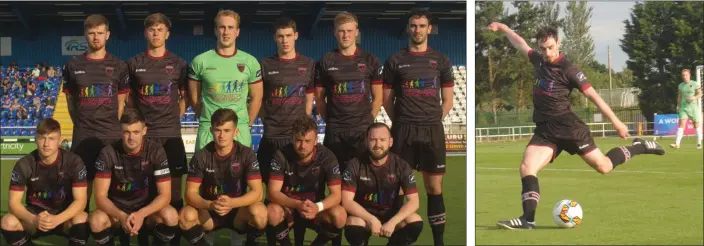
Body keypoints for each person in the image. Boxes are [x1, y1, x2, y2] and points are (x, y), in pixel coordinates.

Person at [487, 22, 665, 229]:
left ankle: (641, 147)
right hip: (545, 130)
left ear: (558, 43)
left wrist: (616, 122)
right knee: (527, 167)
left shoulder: (569, 69)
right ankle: (528, 219)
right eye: (543, 48)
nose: (547, 52)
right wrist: (503, 28)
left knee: (604, 167)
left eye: (551, 47)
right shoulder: (539, 61)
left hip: (569, 128)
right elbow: (521, 44)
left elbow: (593, 96)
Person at [381, 9, 452, 245]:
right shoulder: (395, 60)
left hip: (432, 130)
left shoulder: (441, 60)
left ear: (429, 29)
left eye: (422, 26)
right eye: (413, 26)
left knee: (434, 188)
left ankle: (438, 242)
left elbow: (448, 100)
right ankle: (398, 239)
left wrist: (432, 119)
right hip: (404, 131)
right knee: (399, 189)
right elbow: (387, 99)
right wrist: (402, 121)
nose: (417, 30)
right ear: (408, 29)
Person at [126, 13, 189, 245]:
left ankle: (174, 238)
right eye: (151, 29)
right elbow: (130, 100)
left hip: (171, 136)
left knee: (173, 193)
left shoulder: (179, 64)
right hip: (146, 138)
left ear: (167, 34)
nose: (155, 33)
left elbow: (186, 97)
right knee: (145, 192)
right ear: (145, 33)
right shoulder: (133, 64)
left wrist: (175, 116)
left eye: (160, 29)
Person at [62, 14, 130, 207]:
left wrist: (111, 126)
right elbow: (70, 101)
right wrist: (82, 124)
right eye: (91, 33)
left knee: (114, 191)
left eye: (100, 33)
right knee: (82, 192)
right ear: (85, 34)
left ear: (107, 35)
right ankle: (79, 234)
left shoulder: (119, 66)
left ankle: (111, 233)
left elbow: (121, 103)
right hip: (83, 135)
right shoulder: (72, 65)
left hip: (111, 136)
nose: (96, 37)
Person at [178, 108, 267, 246]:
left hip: (237, 212)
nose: (221, 135)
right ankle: (206, 238)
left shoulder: (247, 154)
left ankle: (241, 237)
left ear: (235, 132)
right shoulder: (201, 156)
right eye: (218, 130)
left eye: (227, 130)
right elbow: (189, 194)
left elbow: (257, 193)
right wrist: (211, 205)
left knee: (260, 212)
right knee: (185, 215)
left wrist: (232, 203)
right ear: (211, 130)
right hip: (210, 212)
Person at [88, 109, 179, 245]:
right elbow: (100, 197)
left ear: (144, 131)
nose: (131, 137)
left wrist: (141, 214)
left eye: (136, 132)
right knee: (96, 220)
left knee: (171, 216)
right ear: (121, 131)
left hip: (147, 211)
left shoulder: (156, 151)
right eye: (126, 132)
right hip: (117, 211)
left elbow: (165, 195)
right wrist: (121, 216)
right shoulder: (108, 153)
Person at [1, 118, 90, 246]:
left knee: (83, 218)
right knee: (8, 221)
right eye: (42, 138)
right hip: (35, 216)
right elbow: (13, 203)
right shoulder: (24, 164)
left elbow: (81, 201)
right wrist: (34, 219)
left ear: (59, 140)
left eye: (52, 138)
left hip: (63, 217)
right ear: (36, 138)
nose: (46, 144)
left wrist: (57, 219)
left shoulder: (74, 162)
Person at [314, 11, 383, 171]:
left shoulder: (370, 60)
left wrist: (366, 121)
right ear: (335, 33)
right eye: (341, 31)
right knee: (335, 182)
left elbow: (378, 98)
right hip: (335, 132)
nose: (346, 35)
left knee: (363, 180)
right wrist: (332, 121)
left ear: (357, 32)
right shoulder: (325, 61)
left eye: (350, 31)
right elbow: (319, 98)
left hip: (362, 131)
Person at [188, 9, 263, 151]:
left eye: (230, 27)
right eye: (222, 27)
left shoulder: (251, 62)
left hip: (239, 130)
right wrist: (207, 120)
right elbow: (194, 99)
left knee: (241, 173)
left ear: (237, 31)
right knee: (204, 173)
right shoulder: (200, 61)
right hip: (209, 130)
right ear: (216, 31)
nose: (226, 32)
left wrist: (245, 124)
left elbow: (256, 98)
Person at [266, 115, 346, 246]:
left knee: (340, 215)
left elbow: (336, 195)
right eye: (298, 140)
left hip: (314, 207)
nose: (302, 146)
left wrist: (317, 207)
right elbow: (273, 192)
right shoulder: (281, 155)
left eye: (308, 141)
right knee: (272, 211)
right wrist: (297, 204)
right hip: (288, 206)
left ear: (316, 140)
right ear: (292, 138)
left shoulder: (327, 156)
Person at [341, 123, 423, 246]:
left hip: (391, 216)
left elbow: (414, 202)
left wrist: (393, 222)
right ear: (366, 141)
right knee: (353, 222)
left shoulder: (402, 165)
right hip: (364, 216)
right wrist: (372, 220)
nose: (378, 145)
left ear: (390, 142)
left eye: (382, 140)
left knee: (415, 221)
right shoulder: (355, 165)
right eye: (373, 140)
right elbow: (347, 201)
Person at [258, 16, 315, 184]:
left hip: (296, 137)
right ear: (275, 38)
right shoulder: (265, 64)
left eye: (288, 35)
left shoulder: (308, 64)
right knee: (267, 184)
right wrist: (269, 121)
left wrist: (302, 124)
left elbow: (309, 99)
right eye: (280, 36)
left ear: (296, 35)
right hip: (272, 135)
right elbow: (259, 99)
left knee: (296, 185)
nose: (285, 40)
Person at [670, 68, 702, 149]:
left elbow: (700, 94)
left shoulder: (695, 84)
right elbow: (680, 96)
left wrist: (694, 98)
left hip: (693, 108)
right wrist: (678, 105)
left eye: (686, 75)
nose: (684, 76)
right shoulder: (680, 85)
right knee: (681, 125)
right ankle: (677, 144)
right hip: (683, 108)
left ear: (689, 75)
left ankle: (699, 142)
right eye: (683, 75)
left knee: (696, 125)